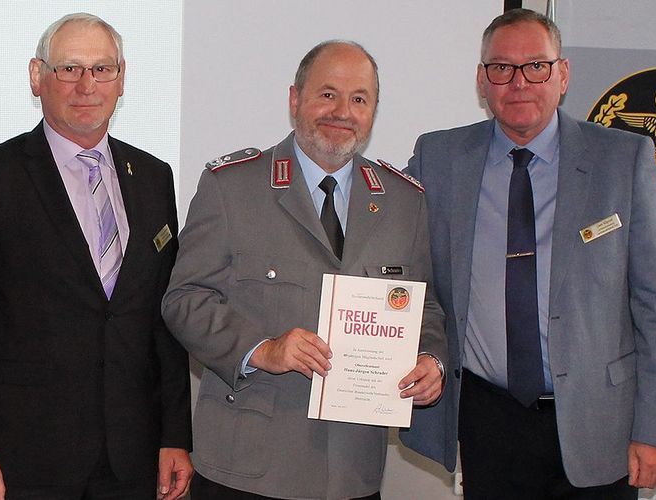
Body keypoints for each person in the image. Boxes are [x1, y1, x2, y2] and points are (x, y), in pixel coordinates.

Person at [399, 8, 656, 499]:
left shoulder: (623, 160)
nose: (519, 82)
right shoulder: (439, 158)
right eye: (501, 68)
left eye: (537, 66)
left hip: (600, 422)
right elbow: (396, 253)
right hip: (489, 420)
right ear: (482, 80)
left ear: (563, 74)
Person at [161, 40, 446, 500]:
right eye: (327, 94)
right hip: (248, 467)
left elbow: (425, 306)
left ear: (373, 111)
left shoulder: (404, 202)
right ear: (295, 100)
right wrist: (263, 349)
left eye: (359, 99)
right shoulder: (231, 187)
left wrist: (432, 361)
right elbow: (184, 300)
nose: (342, 112)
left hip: (351, 471)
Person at [0, 12, 192, 500]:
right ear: (37, 76)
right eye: (69, 69)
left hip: (133, 458)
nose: (86, 85)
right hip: (23, 460)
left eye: (102, 69)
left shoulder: (155, 179)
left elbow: (164, 319)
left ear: (121, 79)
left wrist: (174, 436)